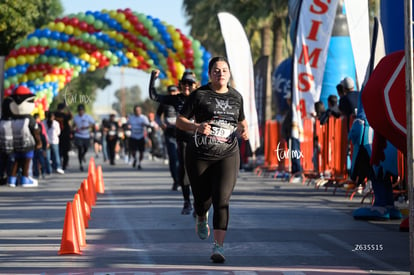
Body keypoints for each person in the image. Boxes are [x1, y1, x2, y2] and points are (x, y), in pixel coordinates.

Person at [176, 56, 249, 263]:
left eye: (224, 70)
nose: (221, 73)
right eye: (216, 70)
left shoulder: (236, 97)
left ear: (229, 73)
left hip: (227, 154)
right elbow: (180, 121)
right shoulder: (199, 95)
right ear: (209, 74)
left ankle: (218, 246)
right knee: (202, 199)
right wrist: (196, 127)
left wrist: (245, 131)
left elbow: (242, 121)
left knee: (222, 201)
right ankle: (201, 216)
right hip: (199, 154)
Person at [149, 70, 198, 215]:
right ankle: (187, 202)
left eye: (190, 83)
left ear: (195, 85)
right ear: (180, 85)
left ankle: (198, 203)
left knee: (198, 171)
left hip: (198, 138)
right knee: (183, 168)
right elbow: (154, 96)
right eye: (184, 83)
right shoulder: (175, 99)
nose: (187, 86)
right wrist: (153, 79)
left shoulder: (201, 97)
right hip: (182, 137)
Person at [155, 85, 180, 190]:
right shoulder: (164, 102)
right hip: (169, 133)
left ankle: (183, 180)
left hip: (182, 133)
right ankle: (176, 180)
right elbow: (157, 116)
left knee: (182, 159)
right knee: (173, 158)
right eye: (170, 92)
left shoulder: (182, 100)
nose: (172, 93)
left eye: (174, 91)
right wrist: (161, 124)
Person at [72, 104, 95, 171]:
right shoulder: (76, 117)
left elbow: (93, 124)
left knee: (86, 148)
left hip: (86, 135)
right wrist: (74, 128)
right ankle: (80, 164)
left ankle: (83, 155)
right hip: (78, 135)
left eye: (81, 110)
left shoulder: (87, 117)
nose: (80, 112)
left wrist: (87, 127)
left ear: (84, 111)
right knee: (79, 148)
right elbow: (73, 125)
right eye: (79, 110)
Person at [127, 105, 149, 170]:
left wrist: (144, 124)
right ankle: (135, 159)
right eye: (136, 111)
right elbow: (127, 124)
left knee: (141, 152)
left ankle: (139, 163)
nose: (138, 112)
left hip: (141, 136)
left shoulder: (144, 118)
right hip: (133, 136)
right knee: (133, 151)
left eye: (139, 110)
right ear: (134, 111)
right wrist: (128, 126)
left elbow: (148, 125)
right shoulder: (131, 118)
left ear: (141, 111)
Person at [54, 102, 72, 171]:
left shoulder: (54, 115)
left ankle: (58, 165)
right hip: (65, 136)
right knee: (65, 152)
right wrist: (68, 107)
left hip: (57, 136)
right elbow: (70, 116)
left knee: (58, 152)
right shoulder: (65, 116)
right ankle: (64, 166)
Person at [32, 113, 48, 180]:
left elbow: (44, 142)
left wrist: (44, 150)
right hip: (34, 150)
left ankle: (43, 172)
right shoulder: (32, 136)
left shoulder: (42, 136)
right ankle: (36, 174)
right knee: (35, 162)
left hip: (40, 150)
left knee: (42, 161)